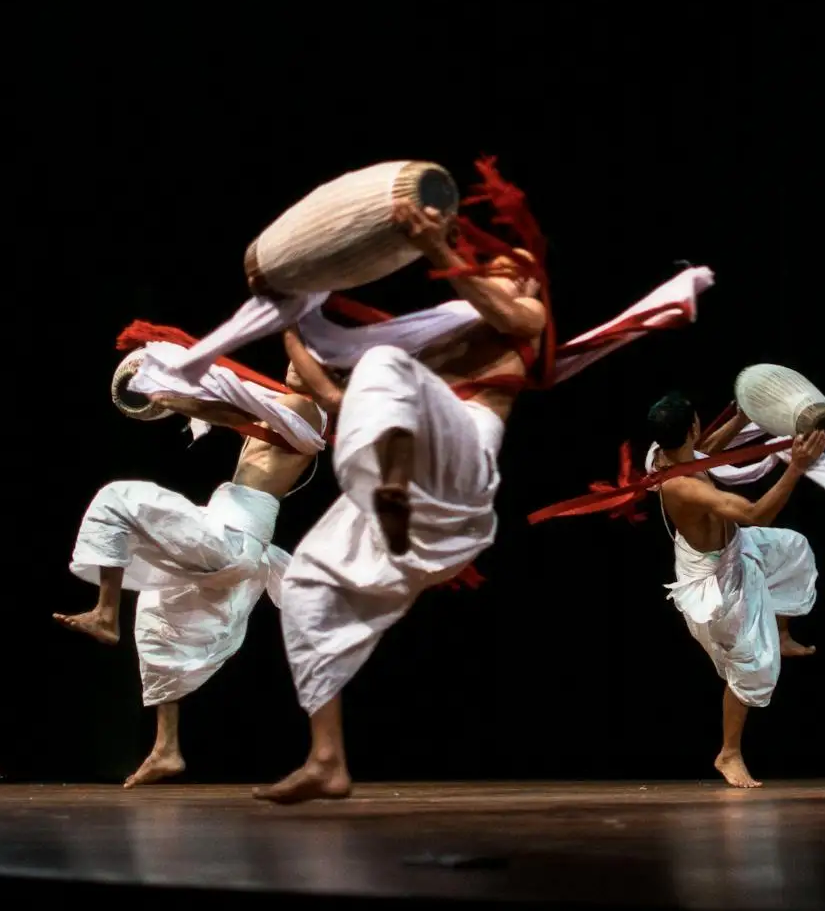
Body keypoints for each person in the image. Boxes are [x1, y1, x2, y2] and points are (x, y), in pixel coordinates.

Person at [253, 201, 547, 804]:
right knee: (305, 583)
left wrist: (440, 251)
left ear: (528, 280)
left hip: (459, 468)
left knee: (383, 363)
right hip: (417, 505)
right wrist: (286, 323)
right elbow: (334, 399)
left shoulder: (527, 315)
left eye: (502, 266)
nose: (491, 271)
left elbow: (507, 314)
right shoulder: (432, 341)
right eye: (486, 264)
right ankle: (327, 758)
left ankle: (387, 487)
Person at [58, 366, 324, 788]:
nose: (292, 362)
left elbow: (229, 414)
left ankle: (105, 613)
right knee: (159, 615)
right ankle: (166, 749)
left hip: (235, 539)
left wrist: (173, 397)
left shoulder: (304, 410)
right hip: (229, 538)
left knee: (118, 498)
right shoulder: (282, 409)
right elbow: (237, 410)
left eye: (304, 355)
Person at [648, 393, 825, 788]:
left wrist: (740, 416)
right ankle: (729, 752)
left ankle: (781, 633)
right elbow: (753, 513)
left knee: (792, 549)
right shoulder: (683, 487)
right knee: (753, 665)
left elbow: (707, 449)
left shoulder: (668, 453)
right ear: (692, 426)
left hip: (734, 547)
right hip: (715, 580)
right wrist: (796, 468)